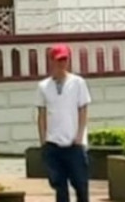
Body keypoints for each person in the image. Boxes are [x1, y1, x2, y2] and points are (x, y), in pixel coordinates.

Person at [36, 43, 91, 202]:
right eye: (58, 60)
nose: (62, 64)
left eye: (64, 60)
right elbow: (42, 114)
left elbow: (83, 110)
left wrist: (79, 136)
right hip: (53, 143)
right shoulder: (43, 86)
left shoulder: (78, 83)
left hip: (74, 144)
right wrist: (43, 141)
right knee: (59, 186)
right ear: (51, 61)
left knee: (81, 185)